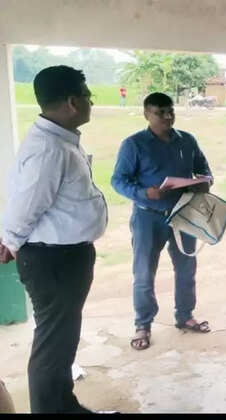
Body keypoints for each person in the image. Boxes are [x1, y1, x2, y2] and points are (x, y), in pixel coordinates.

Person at [0, 65, 108, 413]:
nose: (91, 102)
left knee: (61, 342)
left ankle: (63, 405)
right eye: (88, 96)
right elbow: (25, 204)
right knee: (53, 346)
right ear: (73, 102)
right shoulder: (50, 149)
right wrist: (9, 241)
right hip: (54, 261)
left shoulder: (59, 141)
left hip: (64, 257)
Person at [111, 92, 213, 351]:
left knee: (187, 267)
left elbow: (204, 170)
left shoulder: (187, 140)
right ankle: (143, 325)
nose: (167, 117)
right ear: (147, 114)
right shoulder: (134, 144)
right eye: (160, 113)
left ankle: (185, 315)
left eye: (170, 111)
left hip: (182, 214)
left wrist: (205, 182)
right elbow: (118, 181)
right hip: (148, 216)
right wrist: (145, 193)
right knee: (144, 272)